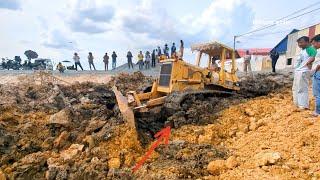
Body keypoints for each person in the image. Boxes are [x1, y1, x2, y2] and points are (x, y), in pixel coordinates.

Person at [292, 36, 317, 110]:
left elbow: (313, 56)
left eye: (301, 42)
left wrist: (309, 63)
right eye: (298, 43)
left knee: (302, 89)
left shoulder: (310, 49)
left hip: (303, 71)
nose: (299, 44)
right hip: (298, 71)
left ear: (307, 42)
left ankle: (303, 105)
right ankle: (296, 103)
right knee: (295, 88)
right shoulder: (303, 50)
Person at [311, 34, 320, 116]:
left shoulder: (319, 51)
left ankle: (317, 112)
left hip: (318, 73)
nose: (313, 46)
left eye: (314, 43)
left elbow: (318, 64)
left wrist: (314, 71)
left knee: (317, 94)